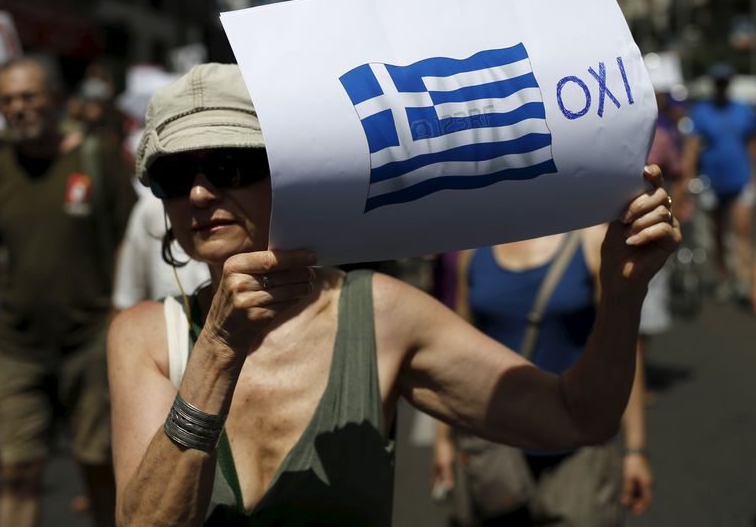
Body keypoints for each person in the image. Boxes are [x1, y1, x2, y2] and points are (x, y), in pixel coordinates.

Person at [108, 63, 679, 526]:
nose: (201, 194)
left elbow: (576, 418)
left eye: (230, 166)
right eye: (174, 178)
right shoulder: (145, 339)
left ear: (286, 172)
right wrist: (216, 350)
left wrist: (621, 295)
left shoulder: (379, 314)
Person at [0, 57, 137, 527]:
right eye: (9, 99)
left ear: (55, 99)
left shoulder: (98, 160)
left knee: (99, 467)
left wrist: (127, 321)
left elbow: (132, 242)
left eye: (29, 96)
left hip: (93, 341)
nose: (19, 108)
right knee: (17, 472)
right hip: (18, 348)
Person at [431, 228, 652, 526]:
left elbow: (622, 349)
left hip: (576, 448)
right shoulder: (475, 247)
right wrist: (444, 439)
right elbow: (455, 349)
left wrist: (634, 450)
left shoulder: (592, 241)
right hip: (494, 447)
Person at [686, 63, 756, 302]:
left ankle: (743, 277)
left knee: (743, 230)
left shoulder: (743, 110)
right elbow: (692, 149)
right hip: (713, 183)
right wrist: (688, 180)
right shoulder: (702, 112)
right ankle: (724, 276)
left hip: (741, 180)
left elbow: (752, 144)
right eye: (719, 83)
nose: (722, 87)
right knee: (718, 233)